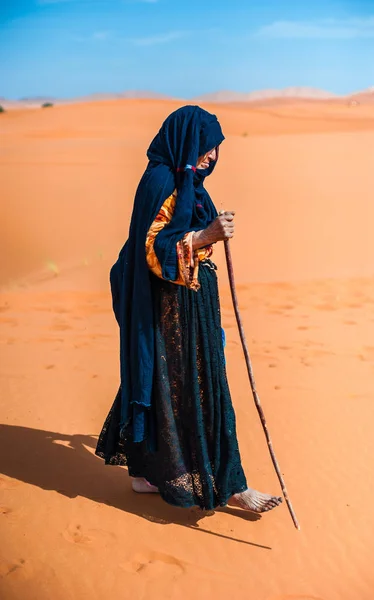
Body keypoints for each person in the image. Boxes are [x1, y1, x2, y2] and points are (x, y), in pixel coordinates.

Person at [95, 105, 283, 513]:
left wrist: (207, 235)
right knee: (202, 387)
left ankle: (144, 472)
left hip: (190, 303)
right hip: (167, 305)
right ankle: (232, 484)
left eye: (216, 148)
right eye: (206, 146)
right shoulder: (160, 181)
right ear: (186, 141)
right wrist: (205, 235)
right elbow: (154, 247)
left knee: (163, 379)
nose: (212, 155)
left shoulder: (190, 182)